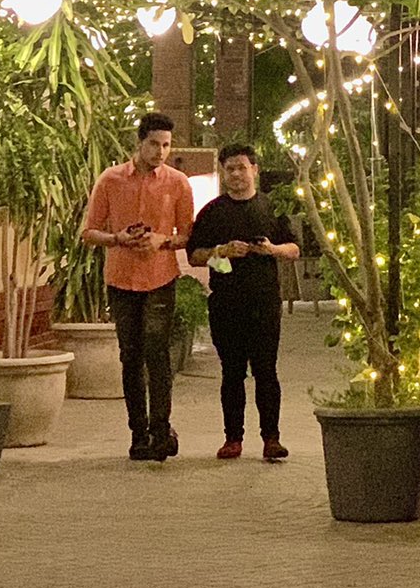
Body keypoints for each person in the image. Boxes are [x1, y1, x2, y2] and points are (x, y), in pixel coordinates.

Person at [82, 112, 195, 462]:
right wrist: (117, 238)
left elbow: (188, 235)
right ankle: (138, 434)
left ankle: (161, 430)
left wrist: (162, 240)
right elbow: (89, 232)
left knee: (157, 353)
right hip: (121, 279)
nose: (160, 152)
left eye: (166, 145)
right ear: (140, 142)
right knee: (130, 356)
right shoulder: (111, 179)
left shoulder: (178, 183)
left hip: (160, 277)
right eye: (154, 144)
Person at [187, 143, 299, 462]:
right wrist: (221, 251)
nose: (236, 174)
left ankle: (271, 438)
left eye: (242, 167)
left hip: (264, 302)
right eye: (230, 168)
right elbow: (194, 256)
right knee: (232, 372)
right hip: (226, 303)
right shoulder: (212, 212)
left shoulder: (270, 207)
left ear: (255, 170)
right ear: (223, 172)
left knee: (266, 371)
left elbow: (294, 249)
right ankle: (232, 438)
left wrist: (272, 249)